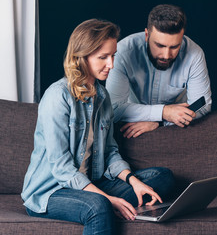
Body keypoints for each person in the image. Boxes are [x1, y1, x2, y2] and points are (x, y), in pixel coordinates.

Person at [21, 19, 175, 235]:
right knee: (97, 206)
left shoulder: (102, 96)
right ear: (81, 58)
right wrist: (107, 199)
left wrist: (133, 181)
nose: (111, 64)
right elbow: (61, 167)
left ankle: (114, 205)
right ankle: (109, 206)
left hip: (92, 184)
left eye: (113, 56)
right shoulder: (57, 96)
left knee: (162, 177)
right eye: (103, 57)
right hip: (52, 191)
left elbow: (111, 152)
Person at [106, 4, 212, 139]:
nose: (166, 55)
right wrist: (164, 112)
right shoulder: (123, 52)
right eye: (160, 45)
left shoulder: (194, 54)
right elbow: (113, 109)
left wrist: (159, 121)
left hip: (176, 129)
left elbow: (203, 108)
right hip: (132, 128)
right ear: (146, 35)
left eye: (174, 46)